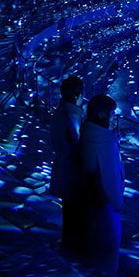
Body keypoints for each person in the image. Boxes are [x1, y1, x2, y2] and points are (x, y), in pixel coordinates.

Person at [79, 95, 125, 277]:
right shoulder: (105, 143)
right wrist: (117, 202)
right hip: (105, 203)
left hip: (89, 198)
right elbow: (110, 177)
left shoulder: (87, 132)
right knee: (108, 246)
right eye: (112, 114)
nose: (113, 118)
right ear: (102, 114)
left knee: (95, 240)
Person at [49, 76, 86, 258]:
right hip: (72, 174)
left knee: (70, 214)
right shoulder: (71, 115)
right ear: (78, 95)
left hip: (64, 170)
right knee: (75, 216)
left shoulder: (60, 111)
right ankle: (73, 254)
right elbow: (80, 144)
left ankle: (70, 249)